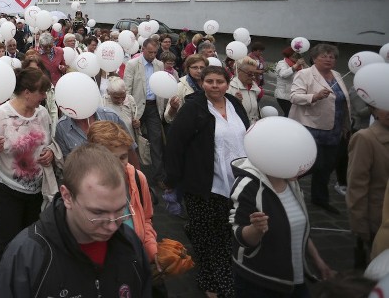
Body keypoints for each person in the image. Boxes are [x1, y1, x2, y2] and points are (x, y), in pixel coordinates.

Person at [0, 143, 151, 297]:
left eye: (119, 210)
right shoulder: (27, 256)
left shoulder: (130, 243)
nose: (112, 226)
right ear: (67, 197)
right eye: (98, 212)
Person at [164, 65, 250, 298]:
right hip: (204, 185)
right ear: (202, 83)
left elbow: (248, 134)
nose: (214, 86)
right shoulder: (194, 108)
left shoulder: (235, 104)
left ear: (227, 83)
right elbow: (175, 144)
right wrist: (171, 179)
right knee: (207, 237)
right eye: (209, 81)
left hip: (238, 183)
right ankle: (211, 281)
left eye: (219, 81)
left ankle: (225, 274)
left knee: (228, 235)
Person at [0, 67, 54, 298]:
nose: (44, 97)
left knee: (32, 244)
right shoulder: (0, 116)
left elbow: (48, 144)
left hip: (36, 190)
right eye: (42, 92)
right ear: (27, 92)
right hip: (8, 189)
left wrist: (49, 154)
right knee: (8, 245)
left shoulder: (42, 114)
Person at [230, 154, 334, 296]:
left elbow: (299, 229)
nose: (301, 168)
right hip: (259, 284)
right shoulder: (247, 185)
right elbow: (240, 238)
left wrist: (318, 261)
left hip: (296, 281)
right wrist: (256, 229)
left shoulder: (292, 182)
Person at [289, 43, 350, 215]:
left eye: (332, 56)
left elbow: (343, 102)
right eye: (324, 56)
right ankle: (282, 184)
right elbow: (294, 97)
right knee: (311, 164)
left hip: (334, 129)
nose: (329, 59)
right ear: (314, 58)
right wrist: (314, 96)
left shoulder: (337, 75)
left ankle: (320, 199)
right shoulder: (304, 74)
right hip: (310, 126)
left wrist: (345, 125)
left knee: (327, 166)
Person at [87, 121, 158, 263]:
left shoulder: (138, 179)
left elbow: (146, 218)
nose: (119, 164)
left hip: (135, 259)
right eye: (111, 159)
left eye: (123, 157)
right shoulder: (86, 187)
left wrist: (151, 250)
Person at [346, 105, 389, 266]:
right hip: (378, 221)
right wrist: (360, 225)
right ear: (373, 109)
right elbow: (357, 186)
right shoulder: (365, 138)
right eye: (384, 105)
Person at [124, 38, 166, 188]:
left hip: (154, 107)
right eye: (150, 52)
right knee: (132, 141)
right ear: (143, 50)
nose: (153, 55)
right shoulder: (133, 64)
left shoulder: (159, 65)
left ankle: (158, 176)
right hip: (136, 107)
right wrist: (129, 111)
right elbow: (127, 88)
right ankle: (133, 174)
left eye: (155, 52)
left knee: (156, 141)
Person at [165, 54, 208, 124]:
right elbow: (168, 118)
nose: (199, 71)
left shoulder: (210, 85)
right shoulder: (179, 87)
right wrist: (173, 108)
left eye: (202, 68)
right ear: (188, 69)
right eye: (195, 68)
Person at [228, 57, 262, 124]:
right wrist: (235, 102)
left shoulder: (254, 88)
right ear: (238, 71)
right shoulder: (228, 88)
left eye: (255, 74)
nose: (253, 77)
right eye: (250, 74)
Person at [275, 47, 306, 117]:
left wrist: (304, 64)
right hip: (283, 95)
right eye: (295, 56)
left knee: (293, 115)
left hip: (295, 94)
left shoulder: (299, 66)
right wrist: (296, 65)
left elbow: (309, 73)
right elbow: (283, 74)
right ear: (289, 56)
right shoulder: (282, 63)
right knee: (289, 114)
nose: (297, 58)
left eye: (298, 56)